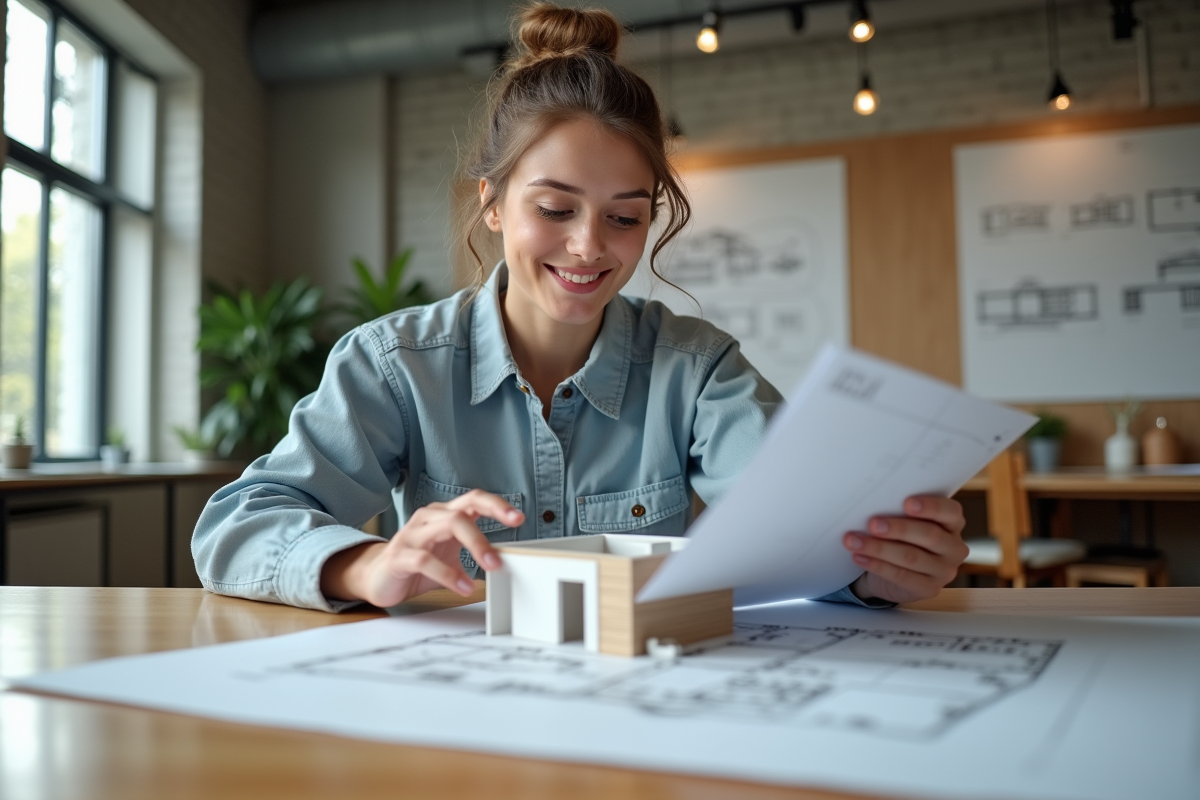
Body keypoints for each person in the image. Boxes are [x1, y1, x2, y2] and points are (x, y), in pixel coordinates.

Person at [193, 2, 967, 613]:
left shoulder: (698, 371)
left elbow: (795, 535)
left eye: (626, 217)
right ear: (492, 204)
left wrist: (876, 573)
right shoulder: (394, 364)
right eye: (556, 209)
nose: (590, 247)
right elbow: (237, 525)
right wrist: (368, 564)